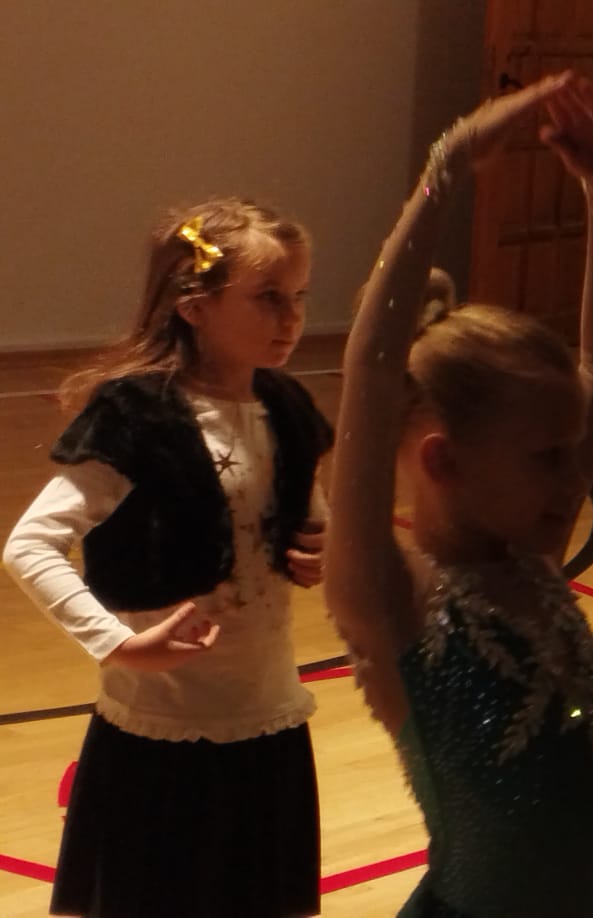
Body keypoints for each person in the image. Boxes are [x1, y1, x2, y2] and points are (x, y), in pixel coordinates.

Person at [321, 72, 593, 916]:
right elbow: (371, 365)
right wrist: (447, 166)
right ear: (443, 463)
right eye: (546, 457)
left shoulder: (531, 552)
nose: (574, 480)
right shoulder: (390, 598)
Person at [3, 197, 330, 917]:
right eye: (268, 297)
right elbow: (30, 545)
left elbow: (307, 510)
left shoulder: (287, 408)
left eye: (300, 297)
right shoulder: (138, 417)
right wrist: (118, 643)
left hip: (266, 711)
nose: (291, 318)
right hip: (163, 730)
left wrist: (318, 547)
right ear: (195, 305)